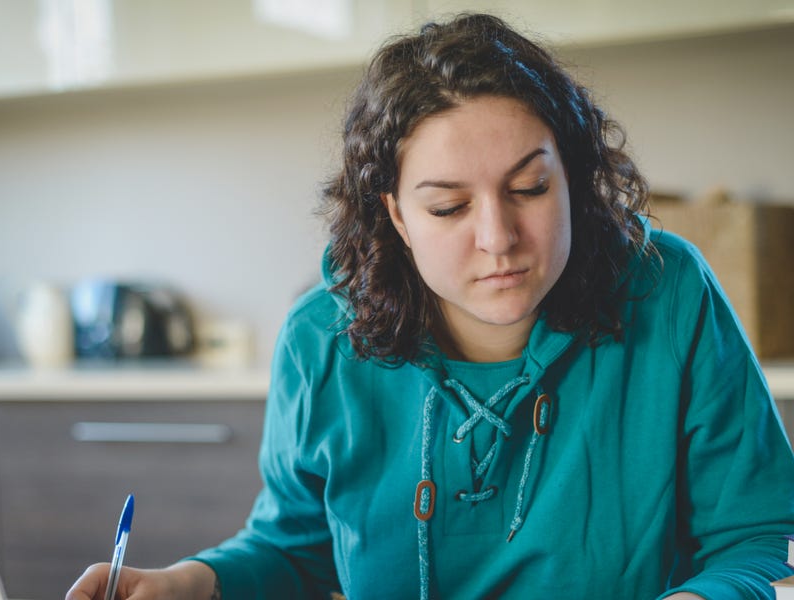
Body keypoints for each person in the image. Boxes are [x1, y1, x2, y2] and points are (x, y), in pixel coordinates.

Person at [67, 12, 794, 600]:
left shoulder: (668, 293)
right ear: (397, 216)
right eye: (448, 207)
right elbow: (297, 545)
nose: (499, 239)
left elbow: (760, 538)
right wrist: (188, 584)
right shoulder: (321, 337)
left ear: (573, 178)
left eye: (531, 189)